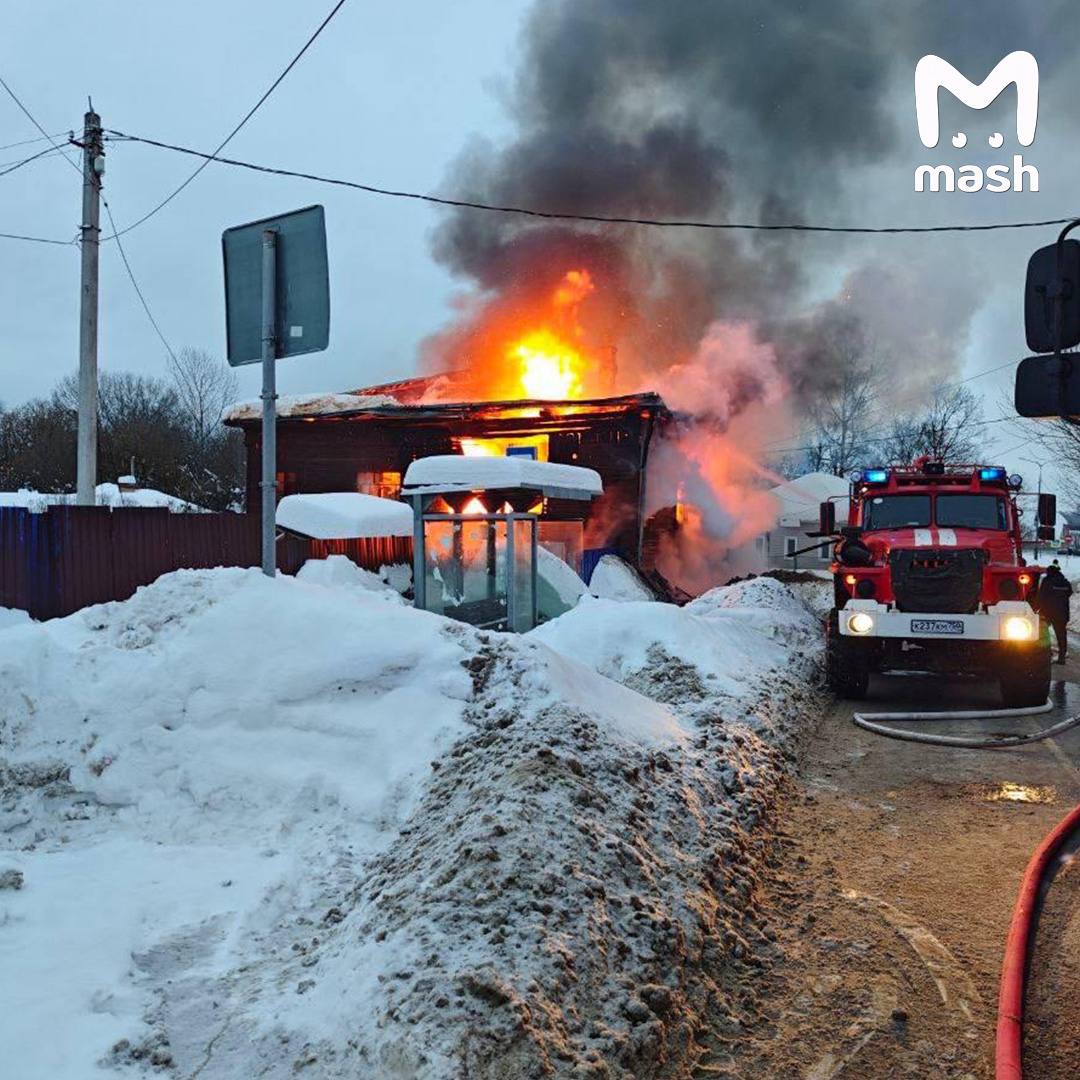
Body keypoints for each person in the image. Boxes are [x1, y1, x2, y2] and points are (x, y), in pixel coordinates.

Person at [1037, 561, 1073, 664]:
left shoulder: (1047, 581)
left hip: (1048, 613)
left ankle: (1047, 654)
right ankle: (1062, 657)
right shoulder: (1065, 582)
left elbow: (1041, 596)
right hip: (1062, 613)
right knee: (1061, 635)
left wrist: (1037, 609)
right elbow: (1069, 593)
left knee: (1044, 633)